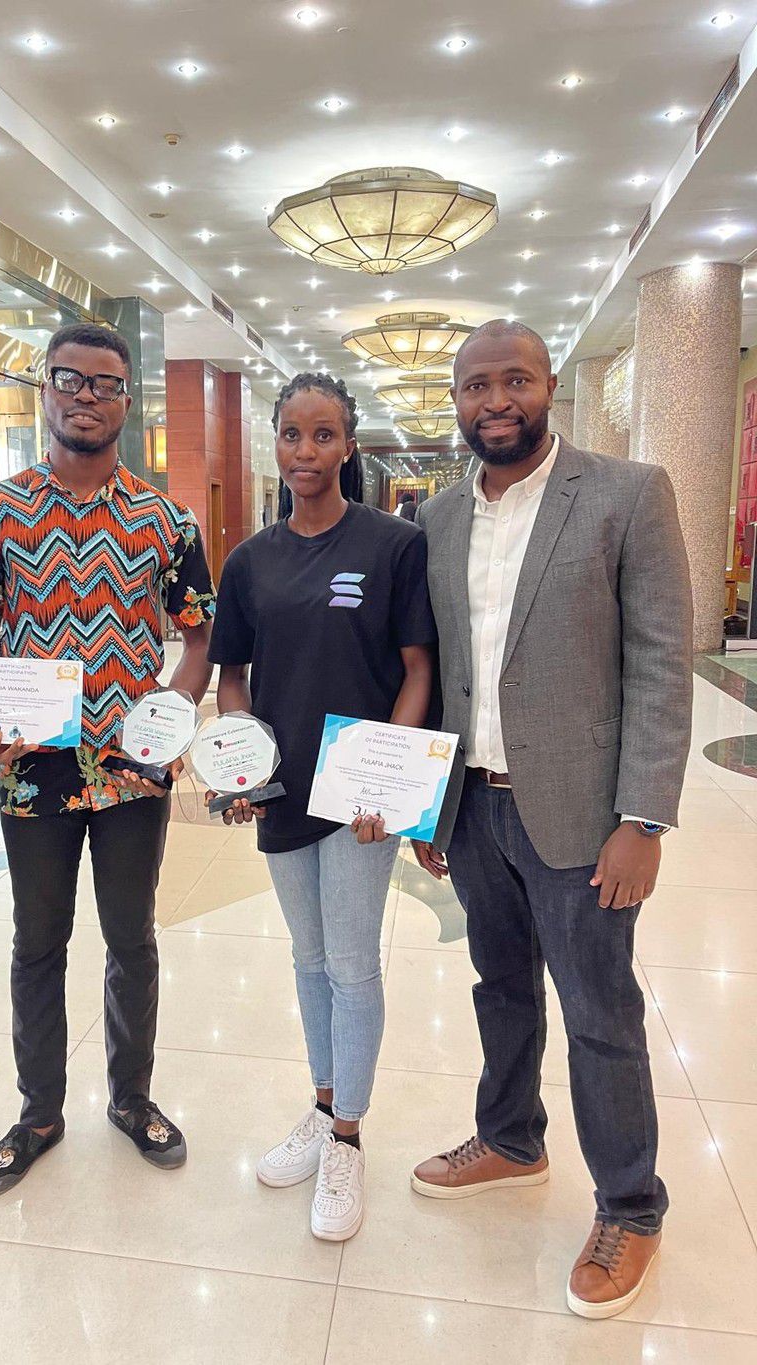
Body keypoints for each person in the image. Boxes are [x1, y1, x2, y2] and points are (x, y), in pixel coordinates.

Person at [410, 320, 693, 1319]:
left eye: (515, 380)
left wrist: (642, 819)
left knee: (598, 1013)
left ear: (548, 383)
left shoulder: (627, 494)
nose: (496, 400)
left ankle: (630, 1204)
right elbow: (436, 667)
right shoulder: (436, 517)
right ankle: (510, 1138)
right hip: (473, 804)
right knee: (500, 988)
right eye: (475, 385)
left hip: (581, 813)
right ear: (456, 399)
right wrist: (427, 802)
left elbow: (660, 661)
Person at [0, 322, 215, 1195]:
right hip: (34, 768)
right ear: (45, 389)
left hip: (132, 772)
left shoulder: (164, 519)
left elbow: (199, 634)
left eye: (105, 383)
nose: (86, 396)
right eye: (69, 379)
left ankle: (132, 1098)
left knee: (131, 939)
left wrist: (171, 722)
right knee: (37, 942)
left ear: (126, 401)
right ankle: (38, 1112)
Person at [208, 373, 436, 1241]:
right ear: (275, 441)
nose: (306, 451)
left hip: (358, 797)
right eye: (292, 435)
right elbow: (232, 677)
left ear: (348, 444)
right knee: (308, 959)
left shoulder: (392, 545)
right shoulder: (249, 560)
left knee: (351, 964)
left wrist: (390, 779)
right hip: (283, 788)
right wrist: (240, 763)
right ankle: (322, 1100)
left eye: (324, 434)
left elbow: (417, 668)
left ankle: (347, 1138)